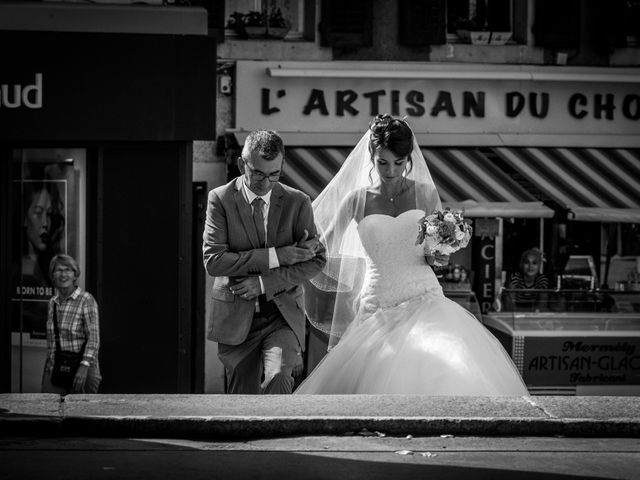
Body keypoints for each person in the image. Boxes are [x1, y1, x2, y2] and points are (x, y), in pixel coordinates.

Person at [296, 114, 528, 395]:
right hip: (378, 301)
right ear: (371, 156)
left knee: (443, 370)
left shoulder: (426, 194)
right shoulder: (356, 199)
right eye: (382, 162)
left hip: (424, 296)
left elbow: (434, 255)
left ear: (409, 159)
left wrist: (442, 252)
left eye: (398, 162)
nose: (390, 170)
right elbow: (324, 244)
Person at [203, 129, 326, 394]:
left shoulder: (298, 201)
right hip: (235, 316)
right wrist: (277, 255)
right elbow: (213, 261)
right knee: (242, 396)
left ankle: (278, 434)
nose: (266, 183)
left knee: (279, 377)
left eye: (274, 174)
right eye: (258, 173)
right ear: (241, 164)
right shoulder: (220, 199)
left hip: (282, 314)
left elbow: (317, 260)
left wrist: (264, 282)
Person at [42, 254, 101, 394]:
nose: (63, 274)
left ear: (75, 275)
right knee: (49, 411)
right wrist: (47, 371)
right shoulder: (52, 302)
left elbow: (94, 338)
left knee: (79, 414)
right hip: (55, 368)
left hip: (81, 371)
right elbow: (52, 342)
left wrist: (84, 366)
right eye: (59, 270)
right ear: (53, 276)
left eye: (68, 270)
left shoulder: (86, 300)